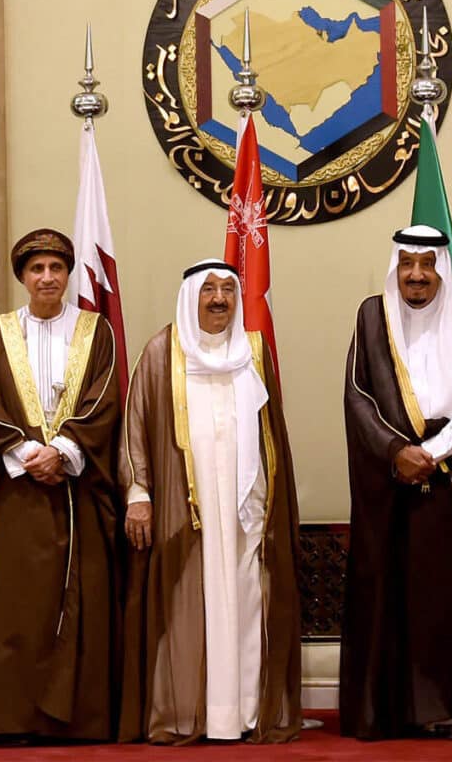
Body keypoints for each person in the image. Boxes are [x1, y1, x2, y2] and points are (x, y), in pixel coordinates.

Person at [119, 260, 301, 743]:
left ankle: (242, 713)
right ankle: (187, 714)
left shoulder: (252, 353)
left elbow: (273, 436)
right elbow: (134, 429)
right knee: (187, 607)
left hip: (245, 508)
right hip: (187, 509)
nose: (219, 299)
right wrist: (139, 494)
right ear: (190, 296)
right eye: (209, 290)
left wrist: (269, 504)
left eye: (227, 290)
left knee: (246, 603)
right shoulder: (161, 353)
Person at [340, 225, 452, 741]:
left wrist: (432, 452)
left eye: (425, 265)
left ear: (440, 269)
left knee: (451, 597)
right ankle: (387, 711)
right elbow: (358, 396)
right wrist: (396, 452)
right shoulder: (372, 315)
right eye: (406, 264)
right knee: (390, 592)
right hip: (391, 476)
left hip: (451, 471)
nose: (415, 275)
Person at [0, 229, 120, 743]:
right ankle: (16, 719)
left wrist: (65, 452)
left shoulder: (97, 331)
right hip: (18, 490)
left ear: (68, 272)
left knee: (84, 604)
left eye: (56, 268)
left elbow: (104, 400)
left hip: (77, 488)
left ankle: (81, 721)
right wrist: (29, 454)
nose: (47, 278)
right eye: (37, 270)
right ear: (23, 278)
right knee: (19, 607)